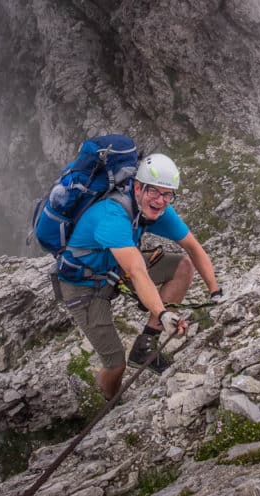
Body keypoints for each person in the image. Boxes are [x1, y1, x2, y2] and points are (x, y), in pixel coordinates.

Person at [54, 153, 223, 400]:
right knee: (115, 364)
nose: (161, 200)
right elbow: (136, 271)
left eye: (167, 194)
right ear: (137, 187)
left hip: (112, 268)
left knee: (183, 266)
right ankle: (110, 402)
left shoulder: (156, 208)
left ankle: (145, 346)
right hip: (83, 284)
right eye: (154, 191)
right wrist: (163, 313)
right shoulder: (112, 216)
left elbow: (193, 247)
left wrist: (215, 292)